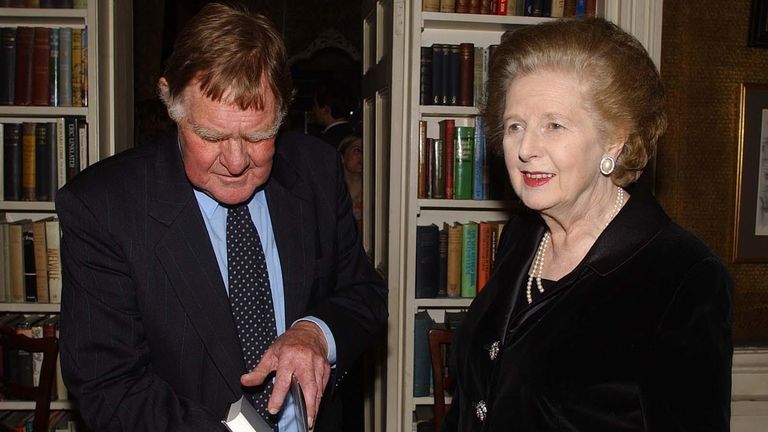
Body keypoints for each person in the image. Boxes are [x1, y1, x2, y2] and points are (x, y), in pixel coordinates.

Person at [55, 4, 387, 431]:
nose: (235, 162)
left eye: (258, 136)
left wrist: (316, 333)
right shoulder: (103, 208)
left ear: (284, 114)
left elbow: (364, 294)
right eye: (210, 135)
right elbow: (109, 386)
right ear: (171, 105)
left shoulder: (317, 171)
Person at [441, 18, 733, 431]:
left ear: (614, 140)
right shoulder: (524, 236)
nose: (525, 149)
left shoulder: (682, 275)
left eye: (554, 125)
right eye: (515, 126)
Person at [311, 80, 356, 148]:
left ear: (326, 110)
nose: (313, 109)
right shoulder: (354, 135)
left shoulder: (324, 143)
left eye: (315, 105)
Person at [338, 134, 363, 231]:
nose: (363, 156)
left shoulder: (374, 194)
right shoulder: (332, 191)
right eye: (357, 150)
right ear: (342, 157)